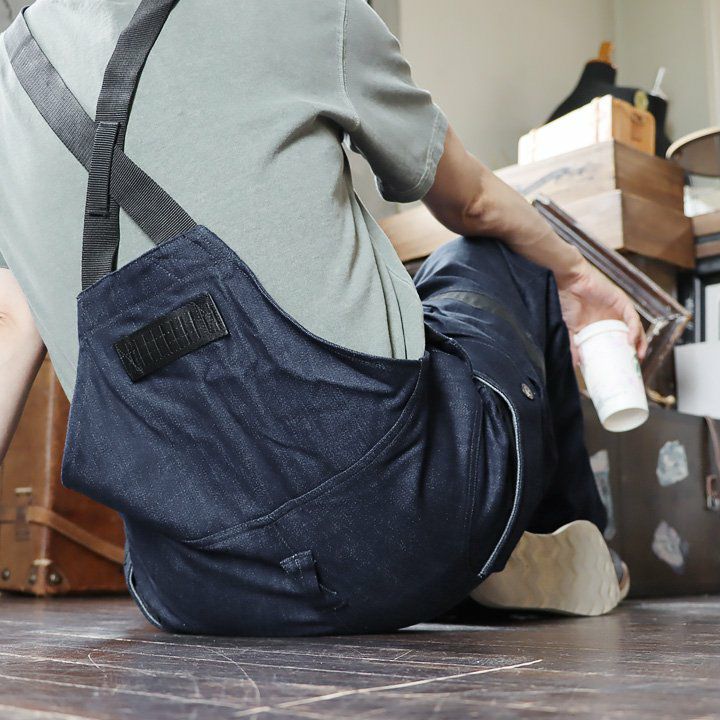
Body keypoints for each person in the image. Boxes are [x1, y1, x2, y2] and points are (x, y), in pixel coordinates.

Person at [0, 0, 640, 635]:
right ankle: (543, 539)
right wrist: (577, 275)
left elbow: (12, 323)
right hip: (411, 521)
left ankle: (477, 557)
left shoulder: (11, 73)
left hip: (188, 586)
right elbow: (473, 203)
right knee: (489, 255)